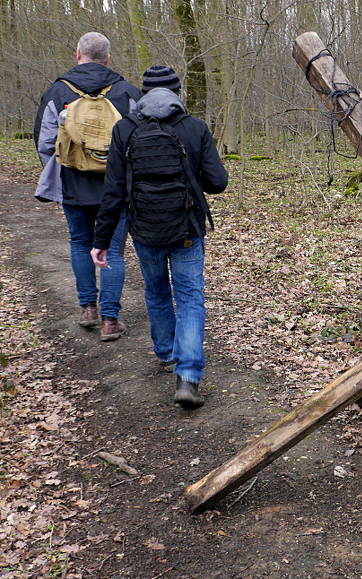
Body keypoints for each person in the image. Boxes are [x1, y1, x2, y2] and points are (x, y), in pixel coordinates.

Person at [91, 65, 228, 409]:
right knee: (191, 297)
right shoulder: (194, 127)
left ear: (143, 93)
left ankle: (166, 352)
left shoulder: (124, 129)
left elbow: (114, 193)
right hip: (187, 230)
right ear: (177, 93)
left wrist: (102, 239)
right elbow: (218, 182)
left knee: (156, 290)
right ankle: (188, 375)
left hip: (145, 229)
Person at [33, 32, 140, 341]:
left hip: (73, 184)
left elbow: (44, 142)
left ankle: (88, 309)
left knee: (80, 243)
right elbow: (138, 140)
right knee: (114, 252)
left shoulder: (57, 91)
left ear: (78, 53)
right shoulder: (126, 92)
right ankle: (110, 320)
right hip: (116, 186)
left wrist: (60, 171)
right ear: (107, 58)